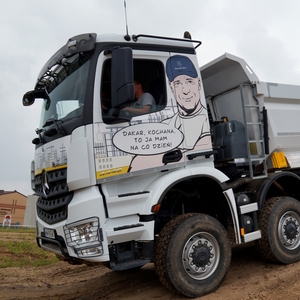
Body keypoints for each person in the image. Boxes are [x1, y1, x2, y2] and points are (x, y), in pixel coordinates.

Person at [164, 55, 211, 150]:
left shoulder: (205, 120)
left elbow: (202, 146)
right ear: (171, 87)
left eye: (189, 81)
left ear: (198, 83)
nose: (185, 90)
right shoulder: (167, 123)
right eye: (177, 83)